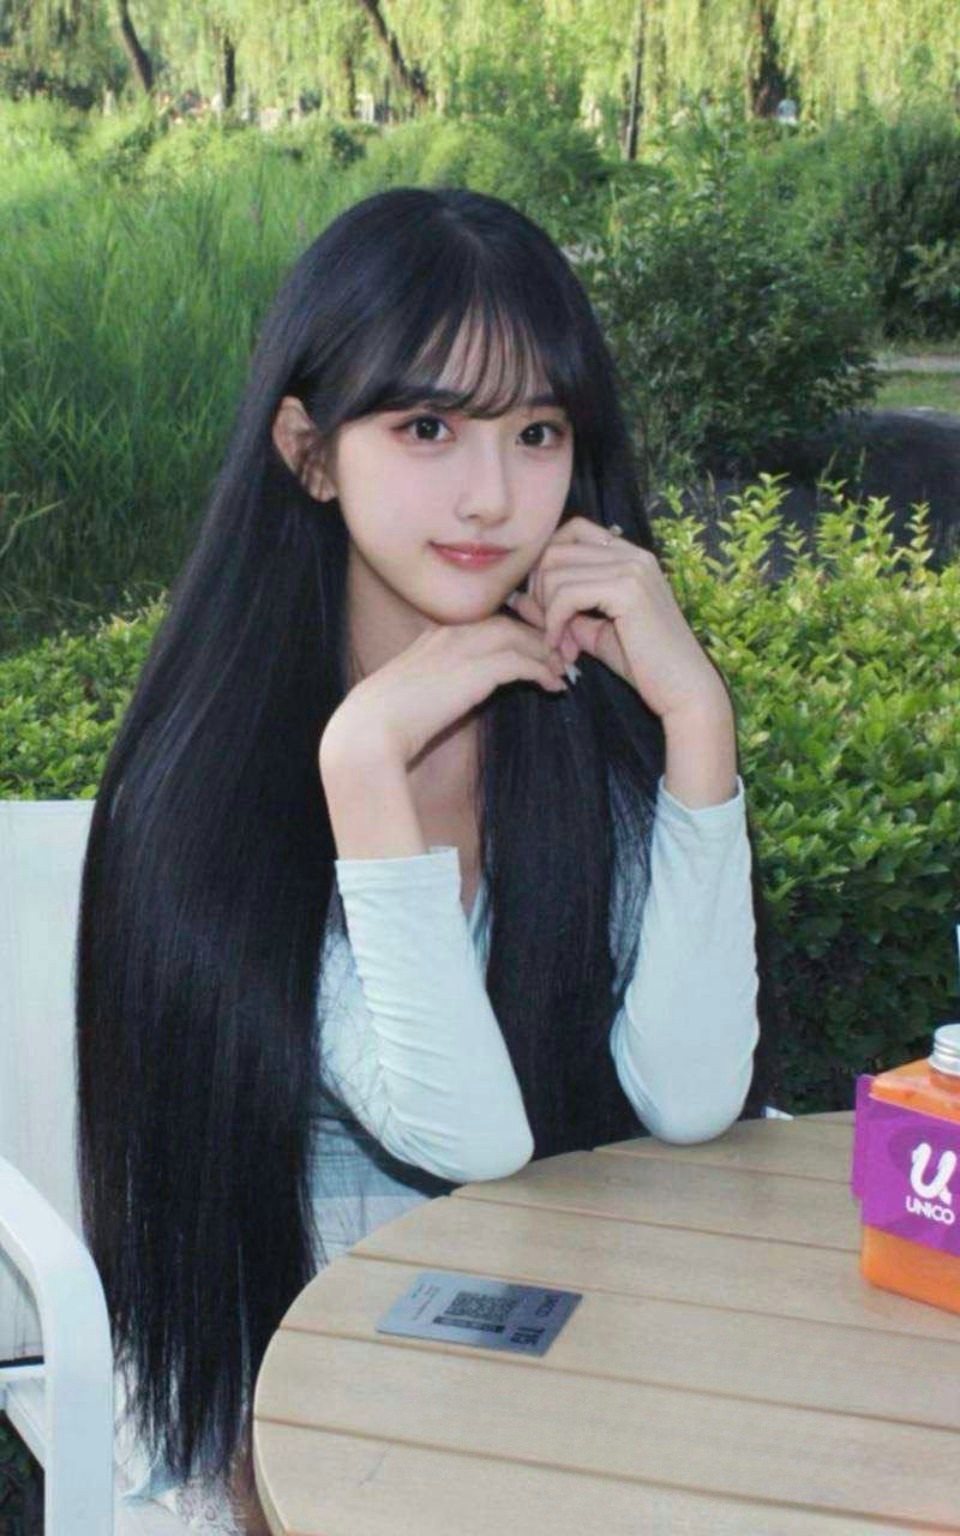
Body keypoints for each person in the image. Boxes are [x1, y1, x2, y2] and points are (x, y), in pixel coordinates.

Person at [76, 184, 779, 1535]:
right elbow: (469, 1134)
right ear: (310, 453)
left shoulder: (577, 730)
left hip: (537, 1371)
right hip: (266, 1416)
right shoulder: (208, 786)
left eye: (536, 432)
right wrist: (363, 765)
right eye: (427, 428)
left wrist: (699, 724)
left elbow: (694, 1100)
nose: (491, 495)